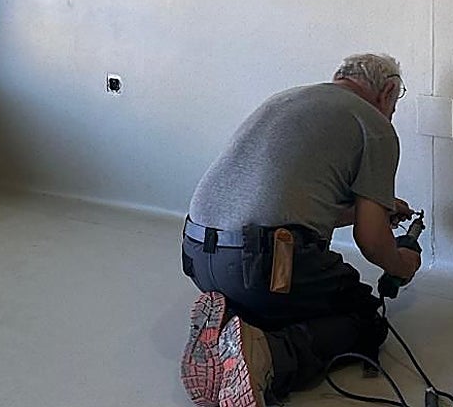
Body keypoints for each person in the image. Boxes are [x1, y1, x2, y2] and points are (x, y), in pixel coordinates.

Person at [179, 54, 421, 407]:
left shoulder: (287, 99)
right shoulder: (374, 124)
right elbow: (371, 243)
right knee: (364, 320)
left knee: (279, 300)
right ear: (386, 92)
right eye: (393, 106)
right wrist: (403, 263)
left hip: (198, 253)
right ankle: (268, 358)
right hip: (263, 265)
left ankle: (233, 325)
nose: (390, 115)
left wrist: (369, 211)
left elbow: (304, 209)